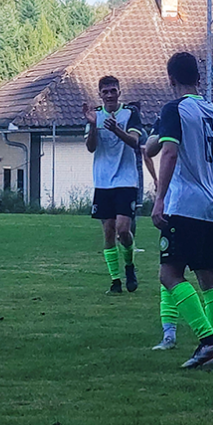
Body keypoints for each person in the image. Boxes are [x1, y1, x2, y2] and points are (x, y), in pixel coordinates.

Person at [148, 52, 213, 369]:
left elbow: (168, 152)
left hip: (185, 204)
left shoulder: (174, 109)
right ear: (198, 77)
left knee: (169, 274)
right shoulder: (211, 109)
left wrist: (160, 198)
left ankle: (208, 341)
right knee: (209, 277)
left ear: (170, 78)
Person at [82, 76, 143, 294]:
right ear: (100, 94)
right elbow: (91, 147)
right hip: (103, 182)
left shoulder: (130, 113)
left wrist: (117, 130)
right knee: (108, 231)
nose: (109, 95)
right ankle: (115, 281)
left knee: (123, 230)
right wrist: (92, 125)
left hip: (126, 180)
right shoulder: (96, 115)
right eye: (105, 91)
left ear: (119, 92)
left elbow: (135, 141)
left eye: (113, 91)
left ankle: (129, 266)